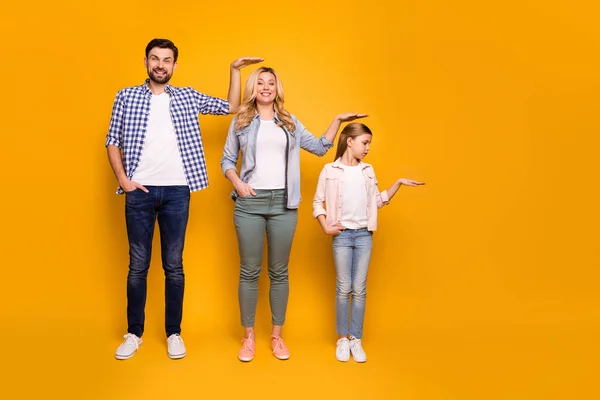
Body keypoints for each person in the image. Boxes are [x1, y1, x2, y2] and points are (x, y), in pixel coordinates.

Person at [106, 38, 262, 360]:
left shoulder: (187, 97)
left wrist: (234, 71)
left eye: (166, 60)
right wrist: (123, 179)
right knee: (138, 266)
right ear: (146, 62)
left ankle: (173, 333)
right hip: (140, 192)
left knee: (173, 266)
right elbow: (112, 140)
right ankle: (134, 333)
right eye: (154, 59)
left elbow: (230, 107)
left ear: (175, 65)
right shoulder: (126, 96)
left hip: (178, 191)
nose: (160, 64)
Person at [221, 66, 367, 361]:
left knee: (279, 271)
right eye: (260, 83)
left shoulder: (288, 121)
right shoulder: (241, 120)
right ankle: (248, 337)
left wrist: (337, 121)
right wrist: (238, 183)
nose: (265, 87)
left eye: (271, 83)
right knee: (249, 271)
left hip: (284, 204)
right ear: (253, 88)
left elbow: (318, 147)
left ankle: (276, 337)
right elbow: (226, 160)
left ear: (277, 88)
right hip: (249, 203)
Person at [312, 122, 424, 362]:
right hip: (341, 236)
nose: (368, 148)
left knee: (359, 290)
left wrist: (398, 184)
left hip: (364, 235)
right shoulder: (329, 170)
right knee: (344, 289)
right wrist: (325, 227)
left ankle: (356, 339)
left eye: (369, 144)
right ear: (349, 141)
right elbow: (316, 203)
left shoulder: (368, 170)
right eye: (365, 143)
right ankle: (342, 339)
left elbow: (377, 202)